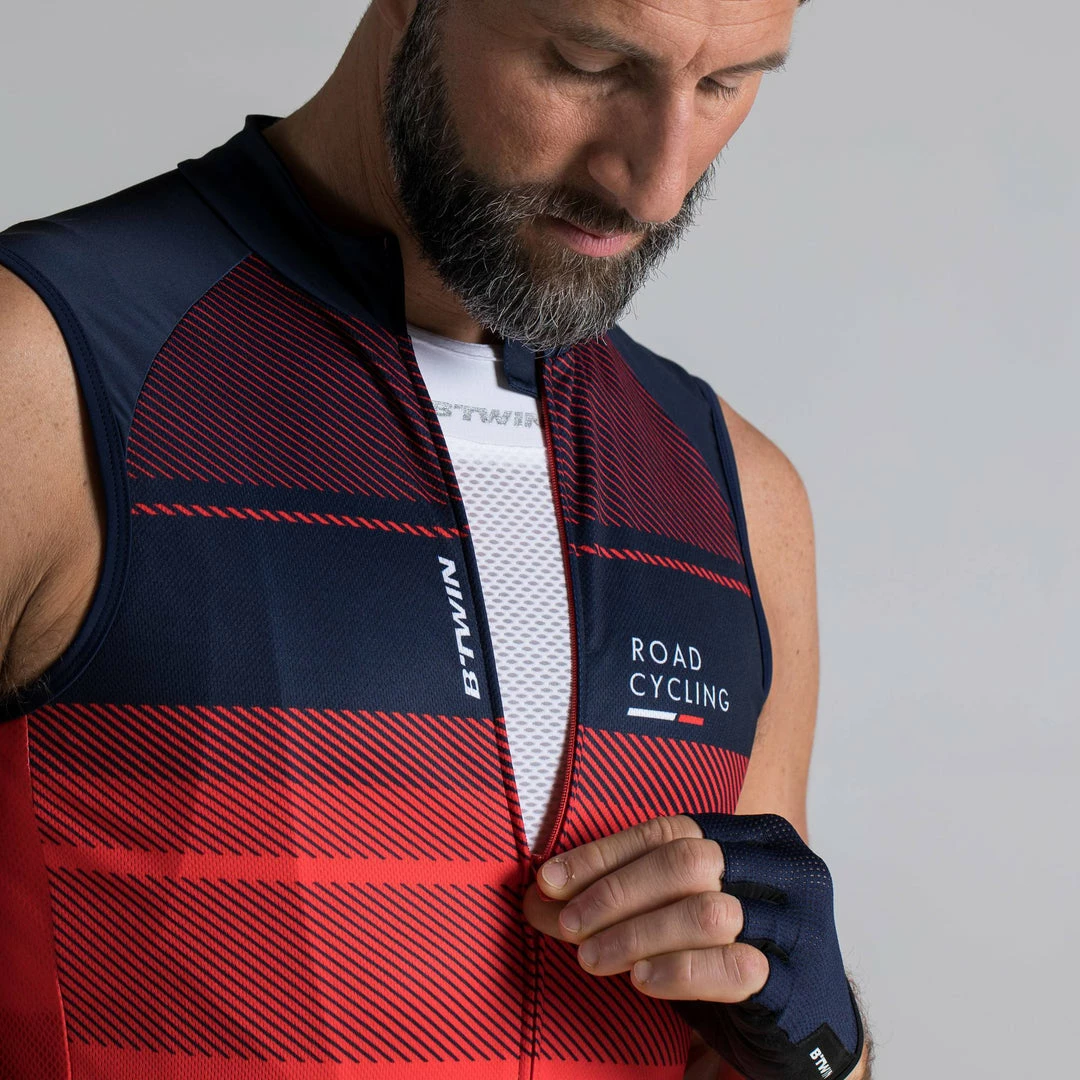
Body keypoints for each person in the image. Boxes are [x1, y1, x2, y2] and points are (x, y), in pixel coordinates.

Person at [0, 1, 873, 1078]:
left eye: (724, 85)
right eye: (589, 62)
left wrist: (819, 1047)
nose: (654, 184)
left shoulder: (740, 496)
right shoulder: (39, 376)